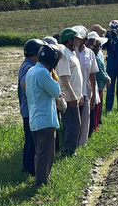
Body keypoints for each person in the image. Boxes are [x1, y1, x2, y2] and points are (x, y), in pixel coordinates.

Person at [25, 44, 63, 186]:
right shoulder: (43, 73)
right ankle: (41, 183)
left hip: (35, 118)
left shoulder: (31, 71)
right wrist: (53, 78)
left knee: (40, 153)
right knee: (46, 154)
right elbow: (55, 90)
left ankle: (41, 180)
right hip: (45, 119)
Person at [18, 38, 46, 176]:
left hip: (29, 109)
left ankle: (29, 168)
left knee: (31, 140)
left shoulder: (28, 64)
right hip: (29, 109)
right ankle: (28, 169)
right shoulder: (29, 67)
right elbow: (24, 83)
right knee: (30, 141)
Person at [57, 27, 84, 157]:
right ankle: (68, 151)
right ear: (69, 40)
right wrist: (73, 95)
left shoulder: (71, 54)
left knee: (74, 124)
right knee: (73, 125)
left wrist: (79, 95)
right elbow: (64, 77)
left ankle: (69, 150)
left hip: (74, 95)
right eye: (76, 39)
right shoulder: (64, 56)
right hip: (68, 97)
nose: (78, 42)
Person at [73, 25, 97, 146]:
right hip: (73, 92)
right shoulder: (71, 53)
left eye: (80, 38)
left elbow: (92, 75)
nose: (78, 41)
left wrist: (93, 95)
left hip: (85, 91)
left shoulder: (90, 53)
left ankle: (82, 144)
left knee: (85, 119)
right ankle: (72, 143)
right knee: (74, 121)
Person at [86, 30, 109, 136]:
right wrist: (106, 78)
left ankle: (95, 125)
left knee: (97, 106)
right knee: (96, 106)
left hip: (98, 84)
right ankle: (94, 126)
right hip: (98, 84)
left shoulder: (95, 55)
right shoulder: (94, 56)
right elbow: (99, 71)